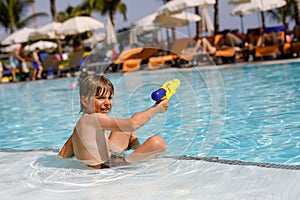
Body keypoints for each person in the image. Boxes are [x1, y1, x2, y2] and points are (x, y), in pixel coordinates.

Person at [58, 75, 168, 169]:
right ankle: (133, 161)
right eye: (100, 98)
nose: (107, 103)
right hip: (104, 168)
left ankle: (136, 151)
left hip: (107, 159)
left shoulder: (83, 121)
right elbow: (132, 124)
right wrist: (156, 109)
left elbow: (63, 153)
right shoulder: (94, 119)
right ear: (85, 101)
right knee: (157, 142)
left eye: (110, 98)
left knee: (122, 130)